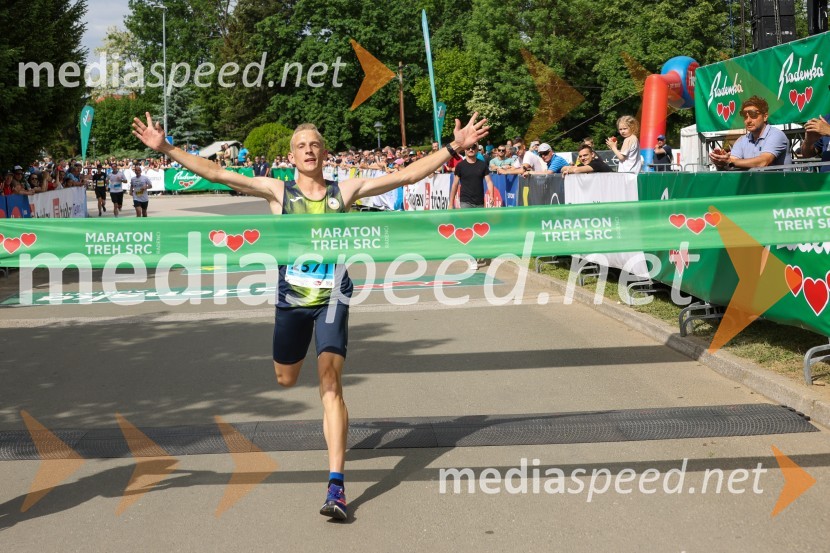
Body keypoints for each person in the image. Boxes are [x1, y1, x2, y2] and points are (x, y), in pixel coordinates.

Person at [132, 110, 488, 521]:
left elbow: (407, 176)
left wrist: (453, 147)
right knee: (285, 378)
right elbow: (217, 174)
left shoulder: (345, 191)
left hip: (334, 296)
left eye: (314, 145)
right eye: (301, 146)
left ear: (324, 153)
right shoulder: (277, 193)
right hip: (291, 301)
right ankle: (324, 431)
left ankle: (336, 485)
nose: (308, 150)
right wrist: (167, 148)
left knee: (330, 383)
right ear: (291, 156)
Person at [709, 95, 791, 170]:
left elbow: (763, 162)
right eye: (745, 116)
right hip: (755, 185)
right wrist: (721, 162)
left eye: (753, 115)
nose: (748, 120)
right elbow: (732, 165)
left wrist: (730, 161)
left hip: (780, 185)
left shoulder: (776, 135)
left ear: (765, 116)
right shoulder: (742, 140)